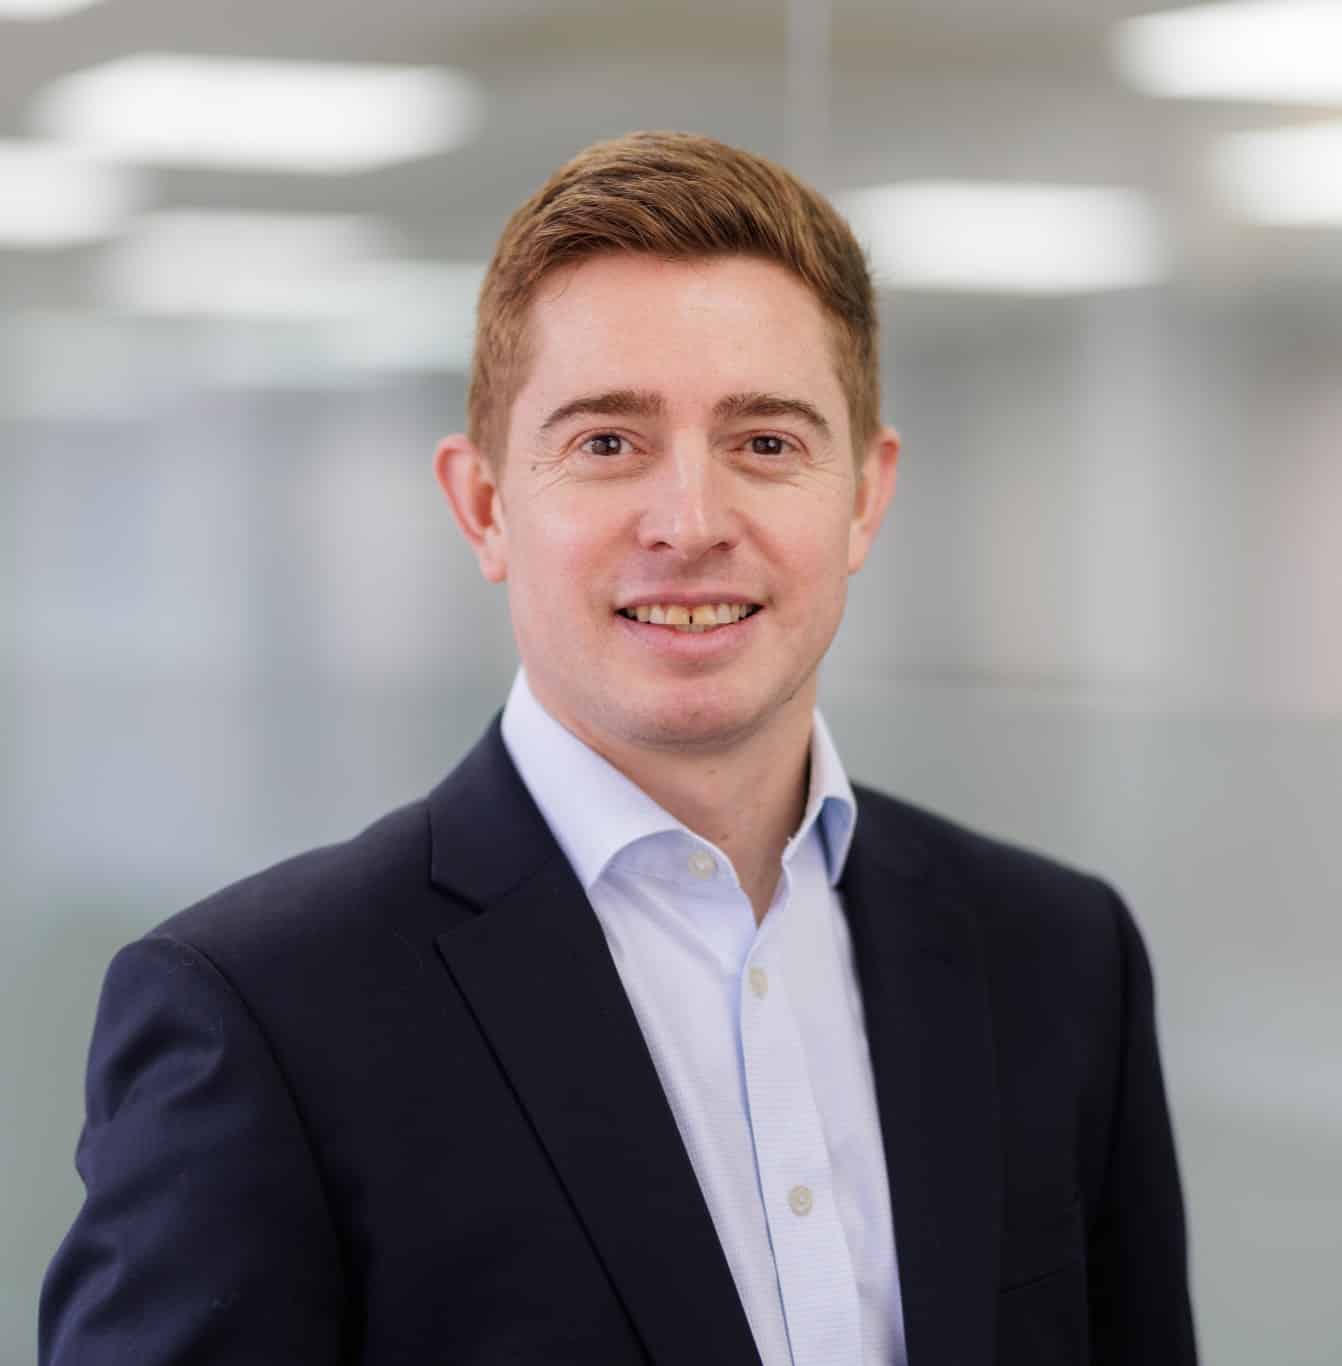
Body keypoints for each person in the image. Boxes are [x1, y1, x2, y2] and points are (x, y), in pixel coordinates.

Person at [39, 131, 1197, 1366]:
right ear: (484, 505)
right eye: (607, 443)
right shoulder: (263, 1015)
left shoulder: (1056, 960)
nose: (690, 523)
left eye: (765, 442)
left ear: (864, 495)